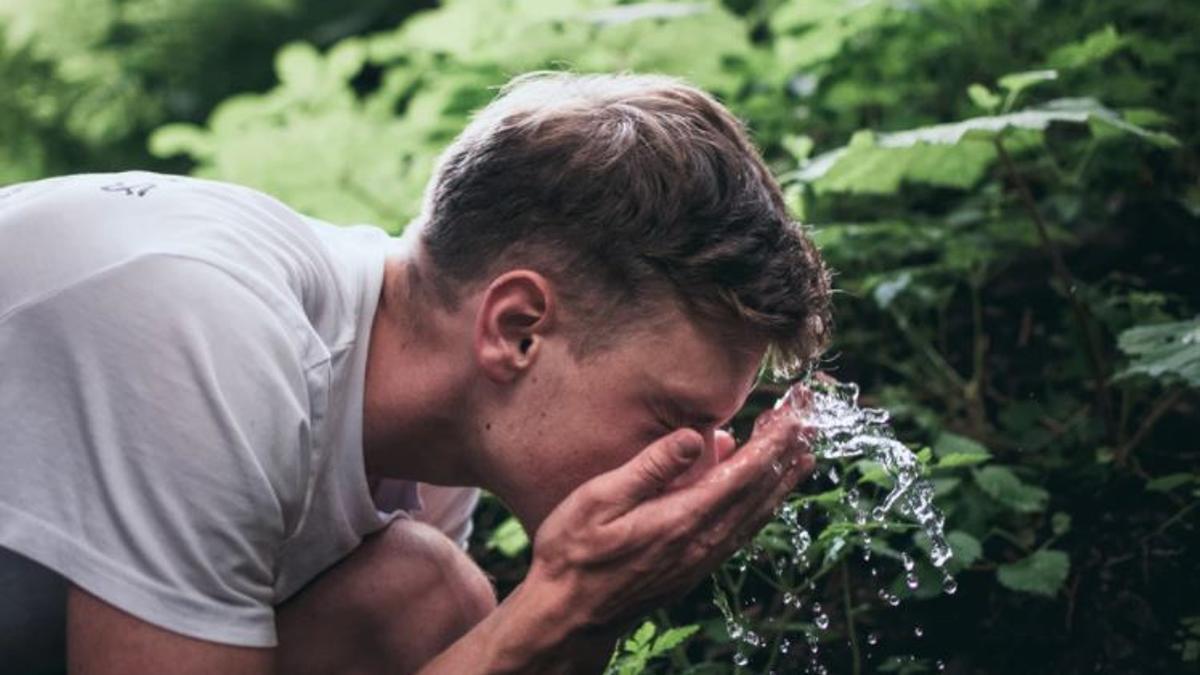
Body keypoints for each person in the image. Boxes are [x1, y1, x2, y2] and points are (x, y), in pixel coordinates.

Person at [0, 72, 832, 674]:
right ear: (517, 329)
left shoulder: (425, 438)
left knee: (421, 601)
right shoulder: (208, 331)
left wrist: (587, 617)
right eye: (670, 419)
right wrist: (564, 605)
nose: (697, 461)